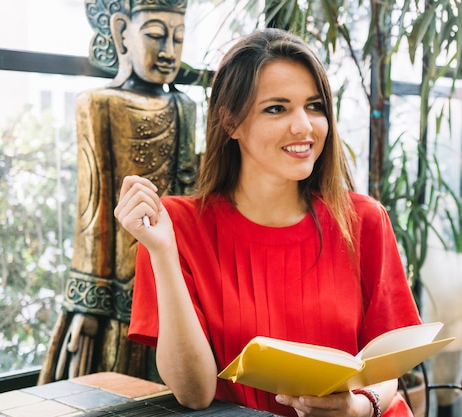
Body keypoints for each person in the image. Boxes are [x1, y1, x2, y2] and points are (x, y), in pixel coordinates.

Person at [114, 28, 421, 417]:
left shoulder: (363, 220)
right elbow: (195, 393)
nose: (304, 127)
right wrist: (161, 252)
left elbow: (387, 364)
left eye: (314, 106)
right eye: (277, 108)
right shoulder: (173, 228)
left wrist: (358, 408)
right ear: (230, 121)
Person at [39, 0, 197, 384]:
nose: (168, 52)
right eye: (156, 36)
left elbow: (190, 198)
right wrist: (87, 304)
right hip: (117, 290)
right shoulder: (98, 104)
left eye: (178, 38)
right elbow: (92, 211)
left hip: (173, 283)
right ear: (121, 31)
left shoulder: (184, 106)